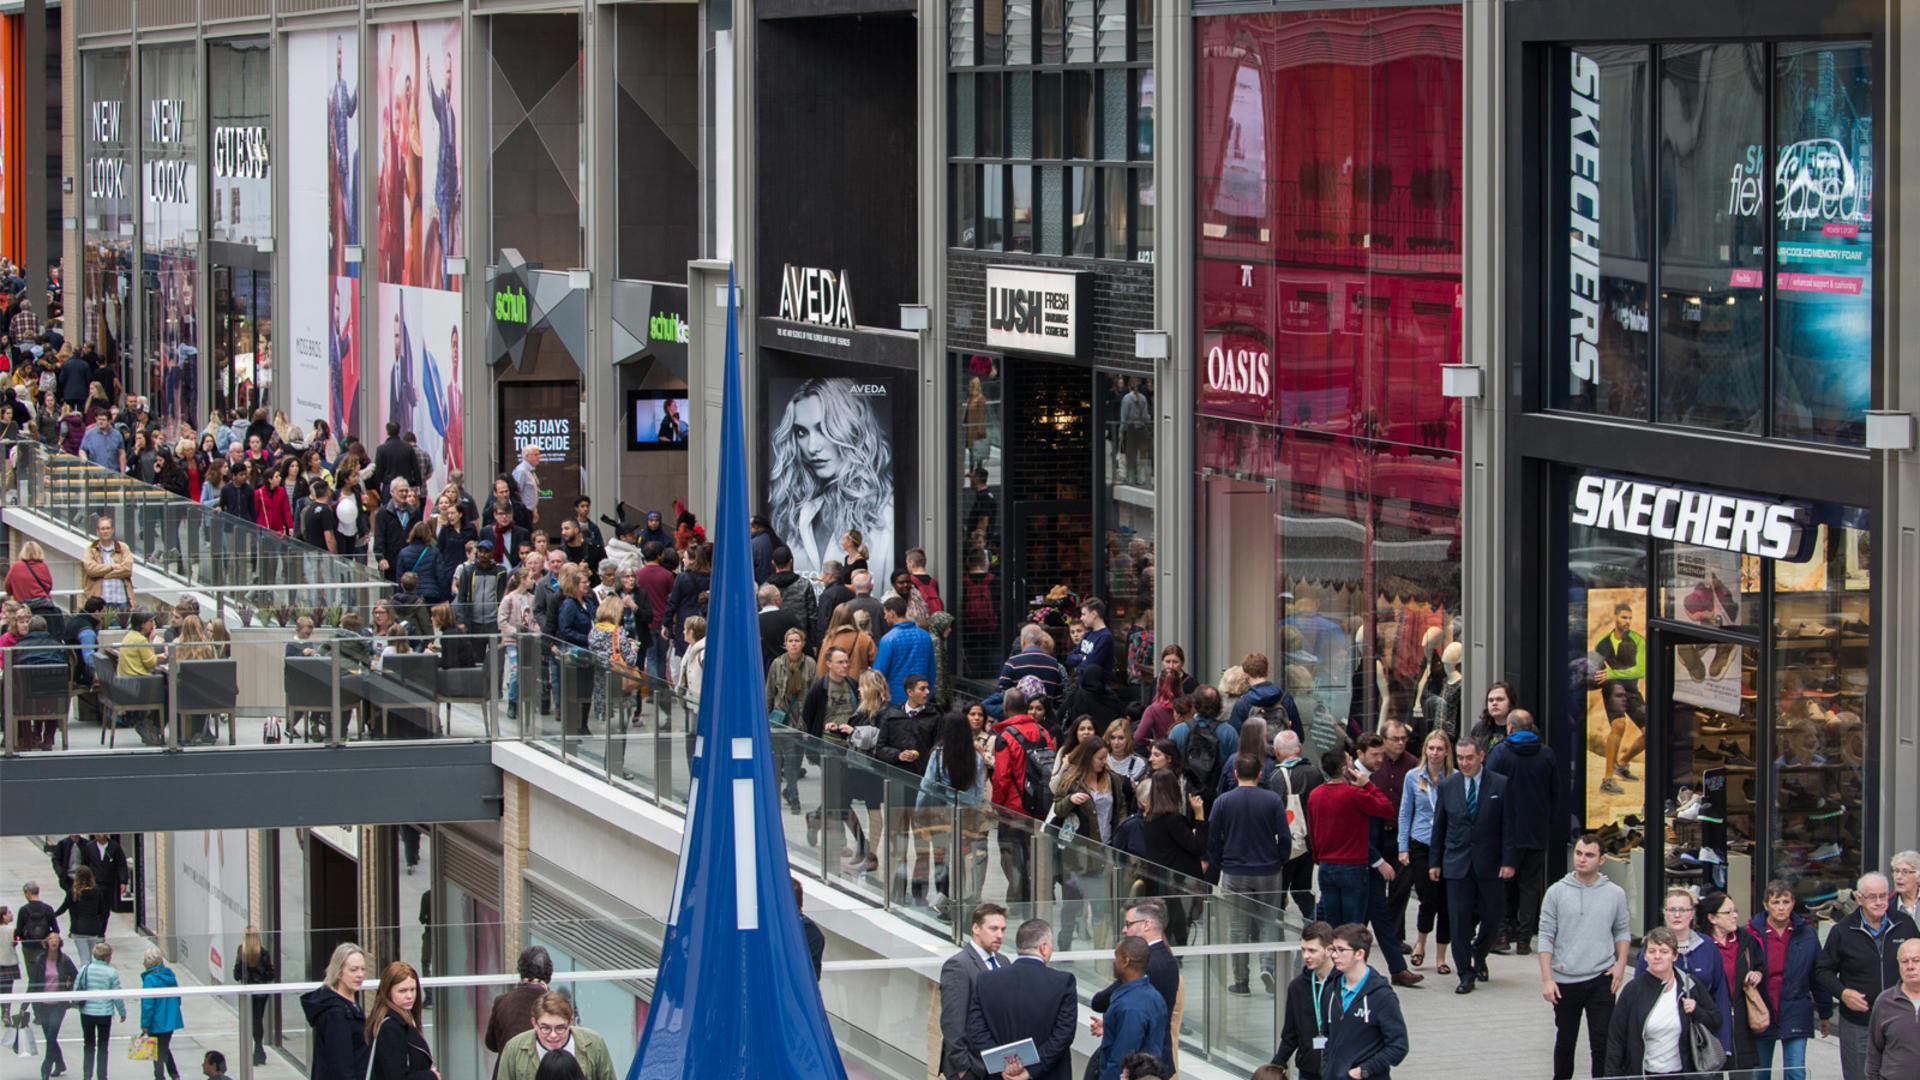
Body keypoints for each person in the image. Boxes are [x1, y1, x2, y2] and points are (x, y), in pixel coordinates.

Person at [1536, 832, 1631, 1080]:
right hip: (1565, 979)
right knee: (1565, 1042)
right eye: (1579, 853)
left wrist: (1621, 965)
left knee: (1602, 1043)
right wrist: (1547, 979)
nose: (1582, 859)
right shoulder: (1556, 892)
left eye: (1589, 855)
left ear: (1601, 859)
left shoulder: (1615, 893)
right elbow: (1545, 935)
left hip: (1602, 977)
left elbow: (1622, 930)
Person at [1429, 736, 1516, 992]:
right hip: (1457, 863)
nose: (1464, 763)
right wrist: (1435, 862)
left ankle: (1479, 953)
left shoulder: (1500, 784)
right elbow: (1440, 828)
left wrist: (1508, 860)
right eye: (1460, 758)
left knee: (1492, 918)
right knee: (1459, 921)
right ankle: (1465, 973)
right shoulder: (1448, 786)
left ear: (1481, 756)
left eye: (1469, 757)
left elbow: (1509, 825)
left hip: (1490, 863)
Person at [1816, 871, 1920, 1080]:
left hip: (1899, 1020)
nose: (1879, 902)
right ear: (1859, 897)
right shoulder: (1843, 930)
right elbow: (1822, 970)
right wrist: (1843, 993)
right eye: (1872, 897)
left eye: (1883, 895)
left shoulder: (1905, 925)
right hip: (1858, 1022)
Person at [1208, 754, 1290, 996]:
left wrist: (1219, 862)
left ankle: (1241, 980)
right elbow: (1284, 837)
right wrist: (1280, 859)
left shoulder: (1223, 801)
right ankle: (1267, 966)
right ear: (1260, 774)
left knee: (1237, 925)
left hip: (1234, 869)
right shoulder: (1273, 800)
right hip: (1268, 869)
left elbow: (1213, 838)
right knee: (1269, 920)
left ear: (1235, 774)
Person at [1737, 880, 1830, 1080]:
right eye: (1776, 902)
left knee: (1795, 1072)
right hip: (1761, 1007)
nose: (1781, 907)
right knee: (1759, 1072)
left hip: (1795, 1007)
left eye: (1786, 902)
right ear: (1765, 905)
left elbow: (1818, 974)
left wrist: (1825, 1012)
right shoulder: (1750, 933)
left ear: (1793, 903)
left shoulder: (1807, 934)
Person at [965, 919, 1078, 1080]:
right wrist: (1032, 1069)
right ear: (1043, 947)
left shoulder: (986, 980)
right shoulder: (1062, 982)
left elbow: (976, 1030)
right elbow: (1063, 1034)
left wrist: (1004, 1064)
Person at [1605, 927, 1724, 1077]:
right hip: (1645, 1073)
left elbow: (1716, 1020)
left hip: (1683, 1073)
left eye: (1664, 951)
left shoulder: (1689, 985)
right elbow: (1616, 1039)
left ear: (1675, 956)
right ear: (1645, 956)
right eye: (1652, 951)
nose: (1657, 956)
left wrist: (1696, 1011)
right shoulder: (1633, 991)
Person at [1485, 710, 1556, 954]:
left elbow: (1489, 787)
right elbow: (1555, 791)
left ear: (1511, 728)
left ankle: (1502, 934)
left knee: (1504, 882)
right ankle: (1525, 939)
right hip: (1536, 829)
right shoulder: (1546, 754)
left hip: (1506, 830)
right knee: (1529, 884)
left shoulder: (1501, 753)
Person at [1635, 887, 1735, 1057]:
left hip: (1701, 1035)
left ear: (1692, 913)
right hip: (1662, 1038)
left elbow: (1720, 997)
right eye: (1672, 910)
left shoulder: (1707, 946)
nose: (1677, 915)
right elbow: (1637, 996)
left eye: (1683, 910)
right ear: (1664, 913)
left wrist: (1724, 1044)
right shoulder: (1651, 949)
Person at [1307, 747, 1393, 928]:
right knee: (1352, 925)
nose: (1352, 761)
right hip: (1353, 866)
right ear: (1342, 769)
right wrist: (1368, 785)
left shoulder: (1315, 795)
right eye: (1348, 760)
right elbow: (1386, 809)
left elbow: (1313, 831)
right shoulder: (1354, 794)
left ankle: (1335, 954)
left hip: (1327, 865)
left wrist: (1318, 858)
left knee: (1332, 922)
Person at [1089, 901, 1182, 1062]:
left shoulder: (1143, 965)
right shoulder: (1168, 960)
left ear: (1147, 924)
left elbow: (1099, 1001)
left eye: (1129, 924)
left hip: (1138, 1063)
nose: (1124, 930)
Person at [1318, 924, 1410, 1080]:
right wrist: (1326, 1068)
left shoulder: (1382, 997)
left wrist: (1364, 1070)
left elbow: (1398, 1046)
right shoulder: (1331, 991)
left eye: (1341, 950)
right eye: (1333, 949)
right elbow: (1326, 1035)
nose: (1334, 955)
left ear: (1359, 953)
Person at [1397, 730, 1453, 975]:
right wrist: (1403, 847)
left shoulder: (1454, 778)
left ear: (1446, 752)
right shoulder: (1413, 777)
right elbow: (1404, 812)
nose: (1435, 753)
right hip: (1421, 842)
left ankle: (1441, 955)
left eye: (1440, 748)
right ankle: (1420, 942)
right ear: (1425, 751)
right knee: (1427, 897)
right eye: (1431, 748)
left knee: (1447, 902)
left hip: (1448, 845)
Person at [937, 903, 1009, 1080]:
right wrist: (964, 1068)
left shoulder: (1004, 961)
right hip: (971, 1068)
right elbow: (952, 1021)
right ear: (975, 928)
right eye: (993, 929)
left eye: (1003, 929)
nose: (1000, 935)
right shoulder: (958, 966)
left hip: (998, 1065)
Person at [1085, 937, 1169, 1080]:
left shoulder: (1130, 1007)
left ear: (1126, 961)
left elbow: (1119, 1061)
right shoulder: (1153, 997)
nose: (1113, 961)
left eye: (1116, 957)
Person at [495, 991, 616, 1080]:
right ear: (534, 1024)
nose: (553, 1035)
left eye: (560, 1028)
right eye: (545, 1028)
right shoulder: (514, 1049)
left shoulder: (594, 1044)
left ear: (570, 1022)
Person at [1271, 921, 1336, 1080]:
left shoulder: (1344, 984)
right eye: (1303, 950)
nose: (1306, 956)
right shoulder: (1297, 986)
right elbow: (1290, 1033)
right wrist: (1276, 1065)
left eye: (1312, 951)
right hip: (1308, 1071)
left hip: (1339, 1071)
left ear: (1329, 950)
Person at [302, 943, 369, 1080]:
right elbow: (341, 1067)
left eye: (363, 969)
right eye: (353, 970)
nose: (360, 975)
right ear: (339, 972)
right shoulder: (336, 1013)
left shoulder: (348, 1003)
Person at [486, 946, 553, 1074]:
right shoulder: (555, 1005)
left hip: (507, 1072)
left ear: (521, 971)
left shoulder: (502, 1001)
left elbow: (491, 1044)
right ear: (549, 973)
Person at [364, 960, 433, 1080]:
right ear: (388, 992)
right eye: (403, 991)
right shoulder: (390, 1027)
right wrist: (430, 1076)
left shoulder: (401, 1019)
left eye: (413, 989)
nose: (410, 996)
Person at [1867, 938, 1920, 1080]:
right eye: (1904, 961)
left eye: (1916, 960)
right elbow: (1874, 1051)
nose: (1910, 966)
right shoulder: (1885, 1002)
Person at [74, 941, 127, 1080]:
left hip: (87, 1012)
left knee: (88, 1044)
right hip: (104, 1013)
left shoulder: (85, 968)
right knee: (103, 1046)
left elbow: (76, 988)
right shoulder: (111, 972)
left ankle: (87, 1075)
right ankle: (102, 1076)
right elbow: (117, 995)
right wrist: (122, 1012)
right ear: (107, 957)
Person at [30, 930, 78, 1080]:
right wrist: (24, 1005)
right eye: (51, 939)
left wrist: (73, 995)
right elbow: (32, 983)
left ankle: (46, 1069)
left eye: (56, 939)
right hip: (43, 1004)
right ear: (46, 942)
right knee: (50, 1036)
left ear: (59, 942)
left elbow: (76, 978)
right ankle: (60, 1063)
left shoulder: (65, 959)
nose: (54, 941)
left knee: (51, 1035)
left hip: (59, 1004)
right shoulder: (40, 960)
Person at [873, 595, 936, 705]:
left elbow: (879, 673)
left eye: (885, 613)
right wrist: (927, 694)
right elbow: (932, 670)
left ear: (892, 613)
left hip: (896, 698)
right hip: (921, 696)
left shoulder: (888, 639)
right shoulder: (925, 636)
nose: (885, 617)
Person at [231, 927, 277, 1066]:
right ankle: (258, 1049)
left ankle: (257, 1049)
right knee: (258, 1019)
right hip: (261, 992)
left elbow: (237, 975)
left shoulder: (242, 951)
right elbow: (270, 974)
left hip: (248, 991)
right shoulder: (263, 952)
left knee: (252, 1020)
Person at [140, 947, 184, 1080]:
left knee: (158, 1052)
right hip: (170, 1021)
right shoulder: (170, 976)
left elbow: (147, 1004)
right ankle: (174, 1074)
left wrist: (145, 1024)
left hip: (157, 1022)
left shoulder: (150, 979)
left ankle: (161, 1077)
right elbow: (177, 998)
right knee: (163, 1047)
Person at [54, 867, 111, 965]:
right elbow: (103, 911)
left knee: (84, 957)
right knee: (92, 956)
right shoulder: (97, 891)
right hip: (93, 929)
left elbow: (64, 907)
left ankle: (85, 976)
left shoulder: (74, 892)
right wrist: (101, 928)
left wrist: (52, 915)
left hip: (78, 929)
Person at [998, 624, 1066, 705]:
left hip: (1019, 715)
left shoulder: (1012, 663)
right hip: (1044, 715)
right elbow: (1058, 697)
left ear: (1022, 641)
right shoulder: (1054, 664)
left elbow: (1001, 692)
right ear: (1040, 641)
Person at [81, 516, 135, 609]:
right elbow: (91, 570)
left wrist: (103, 574)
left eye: (108, 528)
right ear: (97, 531)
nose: (105, 531)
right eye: (102, 529)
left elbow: (127, 569)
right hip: (101, 603)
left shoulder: (123, 547)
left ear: (112, 530)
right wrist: (112, 567)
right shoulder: (90, 549)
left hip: (122, 601)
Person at [1892, 851, 1920, 927]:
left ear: (1918, 877)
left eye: (1905, 872)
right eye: (1896, 871)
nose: (1899, 876)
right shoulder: (1887, 905)